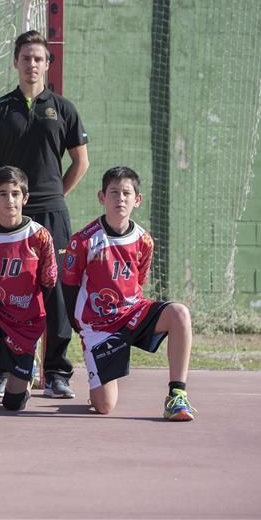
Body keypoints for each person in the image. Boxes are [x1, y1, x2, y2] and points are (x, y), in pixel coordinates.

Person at [0, 30, 89, 399]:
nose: (31, 64)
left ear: (47, 64)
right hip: (9, 218)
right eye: (25, 57)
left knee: (55, 291)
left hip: (51, 213)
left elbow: (81, 162)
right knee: (3, 290)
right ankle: (3, 369)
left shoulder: (63, 108)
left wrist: (55, 194)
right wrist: (2, 196)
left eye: (38, 58)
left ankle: (56, 372)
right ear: (16, 62)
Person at [62, 166, 195, 421]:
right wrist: (81, 329)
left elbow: (139, 281)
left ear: (137, 199)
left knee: (179, 313)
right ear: (102, 197)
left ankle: (177, 395)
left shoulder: (144, 240)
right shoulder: (84, 241)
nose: (120, 199)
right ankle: (101, 378)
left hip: (132, 312)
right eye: (114, 192)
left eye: (126, 193)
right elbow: (69, 286)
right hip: (99, 326)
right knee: (104, 406)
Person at [0, 166, 57, 411]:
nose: (10, 200)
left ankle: (24, 371)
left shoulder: (40, 236)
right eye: (3, 194)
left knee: (13, 405)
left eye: (15, 194)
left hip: (26, 321)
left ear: (25, 198)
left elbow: (48, 285)